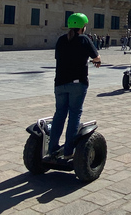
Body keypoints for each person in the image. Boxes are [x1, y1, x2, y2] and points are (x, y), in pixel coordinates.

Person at [48, 13, 101, 160]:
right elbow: (96, 57)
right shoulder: (84, 39)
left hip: (60, 83)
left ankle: (52, 148)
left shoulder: (61, 40)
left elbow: (60, 58)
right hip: (77, 83)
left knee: (59, 114)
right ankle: (68, 151)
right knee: (74, 115)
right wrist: (97, 61)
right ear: (83, 27)